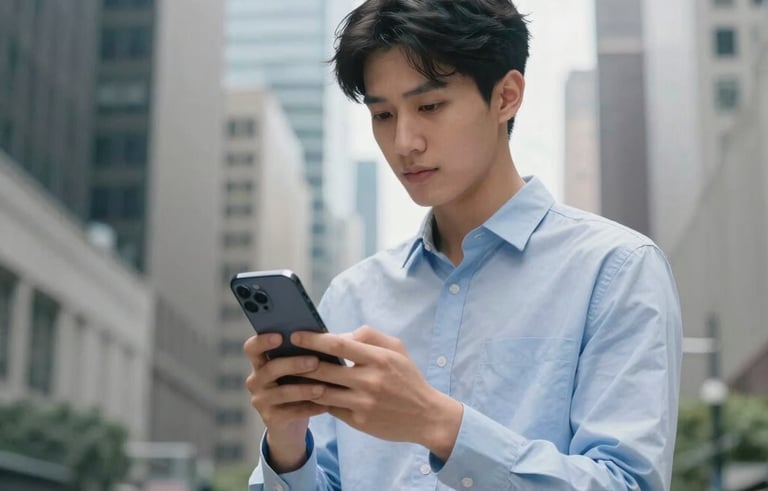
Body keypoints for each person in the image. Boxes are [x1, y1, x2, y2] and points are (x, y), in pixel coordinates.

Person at [244, 0, 683, 489]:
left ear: (506, 96)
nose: (404, 141)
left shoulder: (616, 271)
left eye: (429, 106)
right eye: (383, 114)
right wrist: (286, 444)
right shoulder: (352, 296)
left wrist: (439, 424)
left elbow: (628, 483)